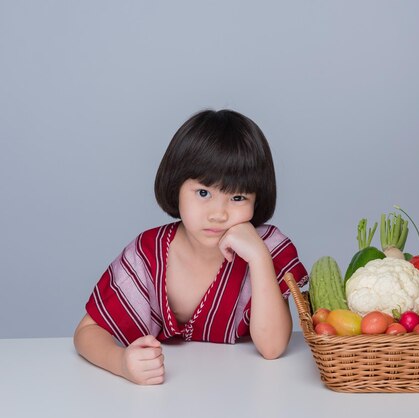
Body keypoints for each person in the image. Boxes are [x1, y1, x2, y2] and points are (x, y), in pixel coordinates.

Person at [74, 109, 309, 385]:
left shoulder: (266, 247)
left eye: (237, 197)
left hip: (244, 390)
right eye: (203, 193)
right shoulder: (147, 254)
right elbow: (86, 332)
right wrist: (121, 363)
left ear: (257, 200)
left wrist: (258, 258)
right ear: (176, 187)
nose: (218, 214)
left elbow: (272, 348)